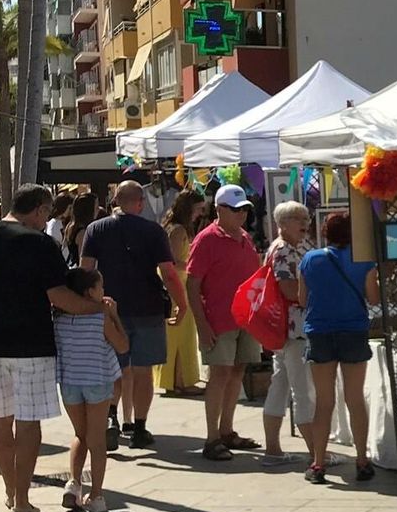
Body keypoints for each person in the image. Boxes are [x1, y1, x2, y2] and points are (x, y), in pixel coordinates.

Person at [0, 184, 104, 512]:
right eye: (48, 216)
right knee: (28, 423)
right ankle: (22, 501)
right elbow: (59, 296)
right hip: (32, 345)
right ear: (40, 210)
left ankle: (11, 491)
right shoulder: (40, 243)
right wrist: (95, 307)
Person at [80, 180, 189, 451]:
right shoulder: (153, 231)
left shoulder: (96, 229)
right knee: (142, 372)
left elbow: (85, 271)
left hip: (109, 309)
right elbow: (168, 272)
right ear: (139, 202)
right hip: (147, 309)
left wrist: (88, 305)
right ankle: (139, 428)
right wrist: (181, 303)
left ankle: (111, 418)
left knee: (114, 369)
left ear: (116, 201)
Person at [298, 211, 380, 485]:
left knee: (324, 401)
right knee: (355, 399)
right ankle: (362, 459)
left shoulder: (310, 259)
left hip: (320, 331)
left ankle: (318, 463)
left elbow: (302, 298)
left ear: (326, 233)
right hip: (353, 330)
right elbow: (373, 297)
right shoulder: (363, 260)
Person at [186, 184, 264, 461]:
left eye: (244, 210)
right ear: (219, 210)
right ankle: (212, 438)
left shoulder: (245, 238)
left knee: (237, 371)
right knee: (219, 375)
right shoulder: (206, 240)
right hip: (218, 319)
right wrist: (202, 325)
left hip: (245, 319)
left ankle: (227, 430)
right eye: (236, 210)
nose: (242, 215)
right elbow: (192, 285)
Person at [55, 268, 129, 512]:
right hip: (97, 380)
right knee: (97, 440)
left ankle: (74, 483)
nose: (104, 292)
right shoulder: (100, 318)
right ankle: (96, 495)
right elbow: (122, 345)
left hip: (70, 383)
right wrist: (114, 315)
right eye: (101, 287)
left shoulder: (61, 320)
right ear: (89, 292)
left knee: (80, 434)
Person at [261, 201, 321, 467]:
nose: (304, 222)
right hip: (293, 329)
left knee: (281, 384)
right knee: (303, 390)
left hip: (293, 329)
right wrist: (318, 295)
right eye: (298, 218)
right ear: (282, 224)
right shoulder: (283, 250)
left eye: (305, 217)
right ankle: (315, 453)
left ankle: (273, 449)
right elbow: (287, 289)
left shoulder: (302, 245)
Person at [157, 191, 204, 397]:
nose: (200, 213)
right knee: (180, 336)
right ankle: (179, 381)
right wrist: (198, 266)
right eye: (197, 209)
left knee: (181, 335)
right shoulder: (177, 231)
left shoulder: (174, 228)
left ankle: (178, 380)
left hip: (178, 282)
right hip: (178, 283)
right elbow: (175, 261)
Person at [62, 193, 99, 266]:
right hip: (80, 274)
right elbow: (83, 262)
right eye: (96, 207)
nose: (98, 210)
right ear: (88, 210)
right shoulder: (83, 233)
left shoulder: (70, 225)